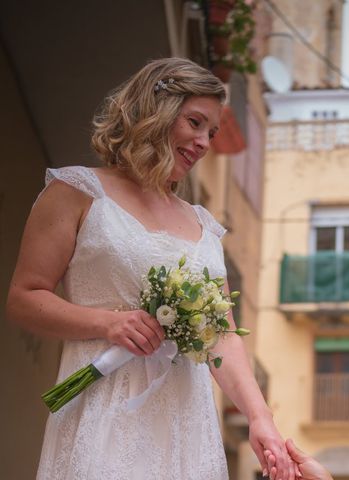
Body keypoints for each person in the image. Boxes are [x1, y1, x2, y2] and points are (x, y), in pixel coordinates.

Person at [6, 58, 294, 480]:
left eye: (211, 132)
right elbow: (23, 299)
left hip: (185, 427)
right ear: (154, 111)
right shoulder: (77, 192)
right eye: (195, 123)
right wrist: (108, 323)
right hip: (103, 410)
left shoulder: (204, 227)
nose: (203, 142)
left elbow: (223, 336)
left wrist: (260, 417)